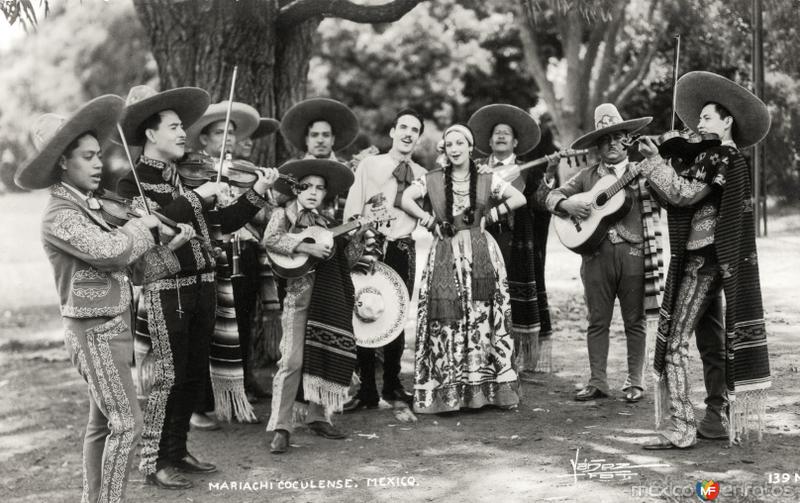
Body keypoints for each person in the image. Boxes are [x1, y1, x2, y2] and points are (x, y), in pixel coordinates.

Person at [14, 95, 193, 502]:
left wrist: (172, 247)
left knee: (103, 425)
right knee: (127, 424)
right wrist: (144, 229)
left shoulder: (92, 207)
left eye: (99, 155)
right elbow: (108, 252)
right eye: (88, 156)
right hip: (93, 332)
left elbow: (132, 270)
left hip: (112, 327)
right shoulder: (60, 214)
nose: (99, 164)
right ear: (63, 161)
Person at [117, 85, 278, 489]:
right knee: (167, 378)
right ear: (151, 134)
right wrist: (196, 198)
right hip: (166, 291)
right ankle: (154, 462)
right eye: (173, 127)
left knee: (191, 377)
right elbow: (150, 227)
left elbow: (224, 223)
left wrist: (256, 192)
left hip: (205, 286)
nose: (182, 133)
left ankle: (177, 450)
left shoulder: (184, 180)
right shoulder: (130, 183)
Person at [638, 71, 771, 449]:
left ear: (727, 121)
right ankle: (716, 419)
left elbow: (683, 196)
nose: (697, 124)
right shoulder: (709, 157)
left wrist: (654, 165)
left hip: (704, 263)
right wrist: (663, 165)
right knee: (711, 344)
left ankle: (681, 426)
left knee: (676, 342)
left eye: (706, 118)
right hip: (710, 263)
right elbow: (676, 196)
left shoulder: (724, 156)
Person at [400, 124, 525, 414]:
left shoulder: (485, 178)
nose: (455, 148)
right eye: (450, 144)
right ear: (445, 148)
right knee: (447, 322)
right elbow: (406, 199)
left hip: (481, 254)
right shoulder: (432, 179)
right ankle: (448, 390)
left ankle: (486, 390)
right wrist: (429, 221)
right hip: (446, 253)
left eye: (460, 143)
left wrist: (491, 216)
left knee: (482, 317)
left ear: (470, 147)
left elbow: (518, 198)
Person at [545, 103, 663, 403]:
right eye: (605, 139)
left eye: (618, 137)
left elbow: (667, 197)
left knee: (634, 321)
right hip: (596, 257)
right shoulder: (586, 177)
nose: (612, 144)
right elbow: (552, 196)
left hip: (634, 255)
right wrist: (566, 205)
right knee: (598, 320)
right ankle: (598, 381)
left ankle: (635, 381)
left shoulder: (644, 170)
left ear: (627, 141)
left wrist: (657, 166)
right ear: (598, 145)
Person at [264, 158, 376, 453]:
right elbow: (271, 239)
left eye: (320, 188)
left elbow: (346, 260)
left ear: (326, 194)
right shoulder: (283, 215)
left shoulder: (328, 224)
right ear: (296, 189)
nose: (313, 192)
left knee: (322, 356)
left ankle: (318, 416)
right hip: (298, 299)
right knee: (292, 361)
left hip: (326, 300)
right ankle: (281, 426)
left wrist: (360, 233)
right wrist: (304, 246)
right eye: (306, 186)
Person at [341, 109, 427, 411]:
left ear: (418, 137)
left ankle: (392, 384)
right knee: (364, 310)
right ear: (392, 132)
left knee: (397, 314)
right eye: (402, 127)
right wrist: (357, 237)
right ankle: (366, 389)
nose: (407, 133)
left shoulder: (421, 175)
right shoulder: (370, 165)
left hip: (402, 246)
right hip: (370, 242)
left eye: (414, 130)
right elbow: (353, 206)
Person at [184, 100, 262, 427]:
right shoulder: (193, 173)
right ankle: (201, 403)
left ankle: (235, 398)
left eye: (230, 132)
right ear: (203, 139)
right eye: (219, 132)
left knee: (241, 327)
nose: (227, 138)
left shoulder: (242, 170)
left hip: (243, 255)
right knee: (208, 330)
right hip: (212, 258)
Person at [467, 104, 546, 377]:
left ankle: (516, 358)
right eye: (496, 133)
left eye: (507, 133)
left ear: (515, 142)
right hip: (481, 239)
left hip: (516, 241)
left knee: (512, 296)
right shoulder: (474, 170)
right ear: (488, 141)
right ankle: (483, 354)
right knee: (483, 296)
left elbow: (540, 201)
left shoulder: (529, 171)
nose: (501, 136)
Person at [232, 117, 282, 402]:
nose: (250, 141)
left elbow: (265, 215)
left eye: (253, 136)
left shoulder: (255, 174)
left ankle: (246, 376)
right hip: (229, 251)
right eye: (244, 135)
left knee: (246, 319)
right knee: (230, 320)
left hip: (250, 253)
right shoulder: (218, 174)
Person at [280, 97, 359, 223]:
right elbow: (275, 198)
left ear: (333, 139)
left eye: (326, 135)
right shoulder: (292, 167)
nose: (320, 140)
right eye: (314, 135)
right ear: (306, 140)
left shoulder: (346, 169)